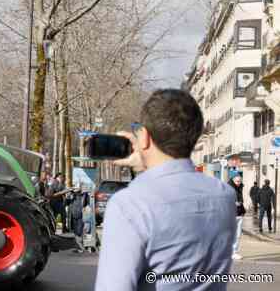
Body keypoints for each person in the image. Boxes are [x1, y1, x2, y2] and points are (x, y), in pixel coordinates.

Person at [95, 89, 236, 291]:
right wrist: (146, 164)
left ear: (143, 137)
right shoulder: (224, 195)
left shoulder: (129, 205)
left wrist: (146, 165)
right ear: (195, 135)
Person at [227, 171, 245, 260]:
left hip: (240, 213)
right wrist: (234, 203)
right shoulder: (228, 187)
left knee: (238, 234)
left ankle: (234, 252)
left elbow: (241, 199)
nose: (239, 183)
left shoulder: (240, 187)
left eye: (240, 181)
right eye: (237, 181)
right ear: (233, 179)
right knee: (231, 234)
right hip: (231, 213)